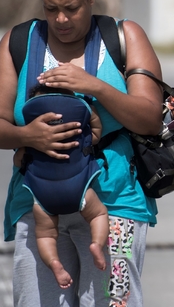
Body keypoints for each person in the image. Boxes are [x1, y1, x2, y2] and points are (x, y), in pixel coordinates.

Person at [0, 0, 163, 307]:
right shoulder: (18, 43)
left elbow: (150, 117)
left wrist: (93, 85)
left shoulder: (123, 36)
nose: (61, 19)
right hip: (39, 203)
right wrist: (27, 136)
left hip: (115, 204)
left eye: (72, 8)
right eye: (51, 9)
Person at [13, 84, 109, 289]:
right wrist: (90, 119)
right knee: (98, 215)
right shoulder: (79, 129)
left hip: (42, 196)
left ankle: (54, 263)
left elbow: (18, 160)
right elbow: (96, 134)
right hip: (79, 190)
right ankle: (97, 244)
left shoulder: (31, 138)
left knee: (46, 235)